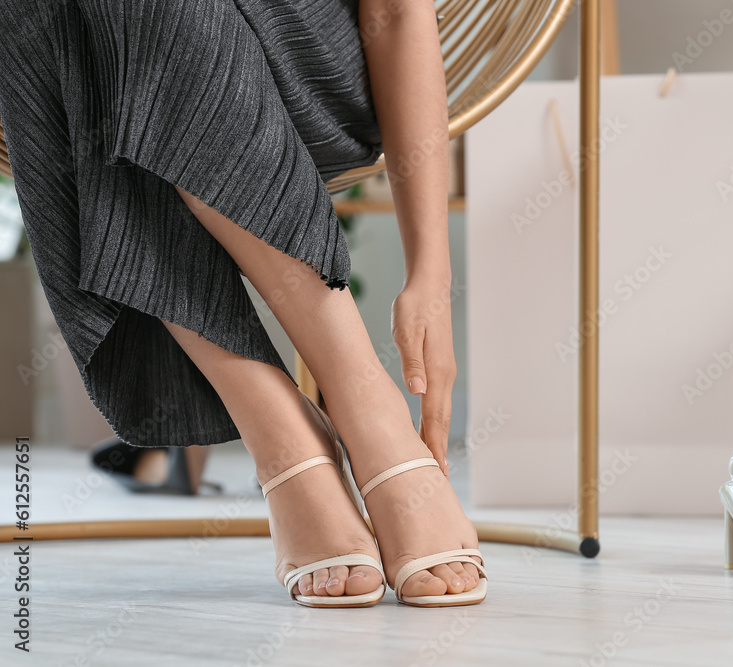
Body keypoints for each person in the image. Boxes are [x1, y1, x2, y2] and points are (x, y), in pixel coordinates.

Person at [0, 0, 485, 607]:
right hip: (109, 45)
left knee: (91, 53)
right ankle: (284, 428)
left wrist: (429, 276)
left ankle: (360, 407)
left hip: (311, 65)